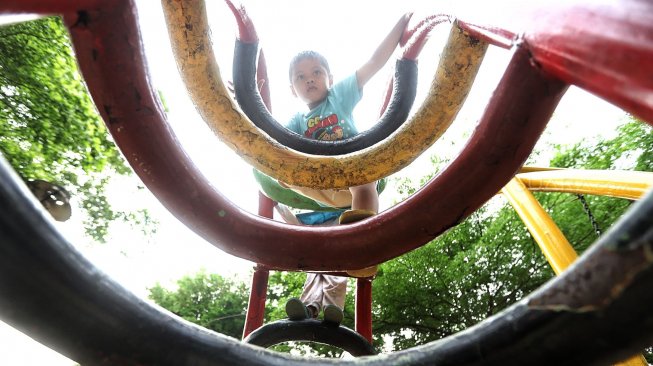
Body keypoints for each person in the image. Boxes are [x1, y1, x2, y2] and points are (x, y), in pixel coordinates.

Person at [283, 13, 411, 325]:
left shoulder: (339, 96)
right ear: (292, 89)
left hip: (355, 175)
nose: (309, 78)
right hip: (325, 187)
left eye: (316, 72)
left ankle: (364, 243)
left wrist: (401, 25)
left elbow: (373, 62)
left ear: (329, 78)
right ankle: (311, 310)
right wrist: (240, 104)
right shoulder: (296, 122)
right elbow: (268, 143)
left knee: (362, 180)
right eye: (300, 77)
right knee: (319, 257)